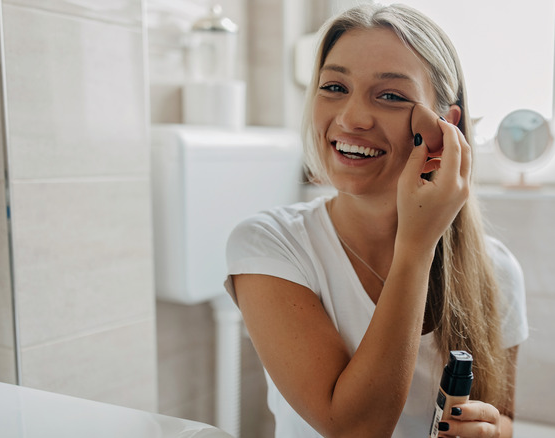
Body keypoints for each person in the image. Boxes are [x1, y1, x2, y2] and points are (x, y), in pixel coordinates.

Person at [224, 4, 528, 437]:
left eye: (390, 96)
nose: (351, 118)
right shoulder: (270, 245)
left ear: (446, 125)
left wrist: (493, 430)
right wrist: (417, 245)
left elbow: (504, 415)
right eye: (334, 86)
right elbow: (356, 431)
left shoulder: (496, 270)